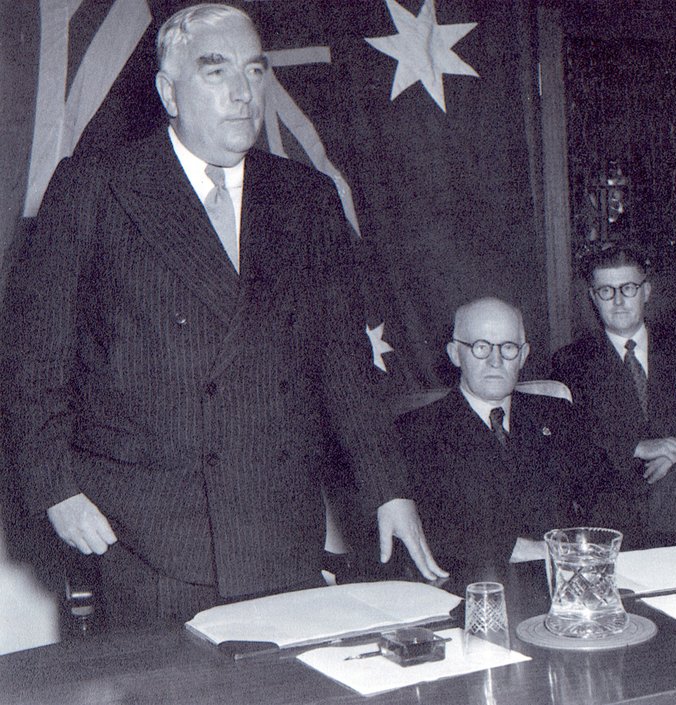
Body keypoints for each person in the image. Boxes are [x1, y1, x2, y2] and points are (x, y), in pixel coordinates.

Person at [0, 3, 445, 627]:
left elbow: (343, 365)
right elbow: (32, 357)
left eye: (255, 71)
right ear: (168, 92)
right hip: (145, 533)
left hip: (280, 525)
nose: (243, 93)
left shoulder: (305, 197)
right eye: (217, 72)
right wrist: (55, 489)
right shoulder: (97, 187)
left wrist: (388, 488)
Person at [550, 245, 676, 547]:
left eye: (628, 288)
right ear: (593, 298)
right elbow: (568, 441)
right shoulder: (572, 362)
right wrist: (636, 447)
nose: (619, 301)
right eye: (606, 291)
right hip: (616, 499)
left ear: (646, 291)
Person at [395, 297, 600, 569]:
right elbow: (426, 528)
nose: (495, 360)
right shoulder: (415, 431)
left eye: (508, 347)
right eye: (480, 347)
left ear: (524, 354)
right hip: (471, 586)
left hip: (565, 578)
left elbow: (604, 496)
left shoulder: (559, 415)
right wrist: (519, 548)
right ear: (455, 354)